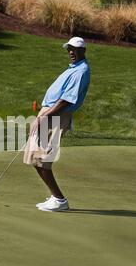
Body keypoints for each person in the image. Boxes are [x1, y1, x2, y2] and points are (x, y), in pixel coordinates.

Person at [23, 37, 91, 212]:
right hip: (50, 114)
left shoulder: (81, 71)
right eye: (69, 49)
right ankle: (55, 197)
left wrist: (44, 116)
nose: (71, 52)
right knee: (36, 157)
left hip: (56, 115)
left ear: (83, 51)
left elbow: (65, 101)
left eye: (75, 49)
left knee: (42, 158)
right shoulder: (74, 69)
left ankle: (60, 199)